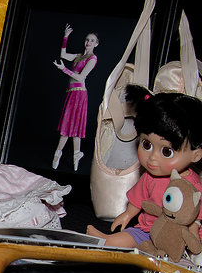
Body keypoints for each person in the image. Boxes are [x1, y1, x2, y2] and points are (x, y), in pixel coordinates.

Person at [87, 86, 202, 247]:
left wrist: (193, 232)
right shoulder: (149, 177)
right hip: (147, 230)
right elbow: (138, 199)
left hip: (178, 235)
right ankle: (107, 241)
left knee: (187, 251)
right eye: (146, 144)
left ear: (195, 155)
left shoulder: (192, 185)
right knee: (128, 237)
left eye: (166, 152)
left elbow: (195, 216)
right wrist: (128, 214)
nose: (152, 157)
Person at [51, 25, 99, 171]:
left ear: (96, 44)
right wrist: (66, 37)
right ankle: (76, 154)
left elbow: (80, 77)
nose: (88, 42)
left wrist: (64, 69)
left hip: (79, 94)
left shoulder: (92, 59)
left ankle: (58, 154)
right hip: (71, 92)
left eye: (92, 40)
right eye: (87, 40)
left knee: (71, 125)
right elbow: (63, 54)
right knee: (72, 124)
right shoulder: (79, 56)